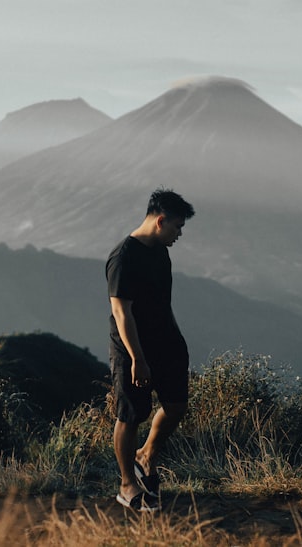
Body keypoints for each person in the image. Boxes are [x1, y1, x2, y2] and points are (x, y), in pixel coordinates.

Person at [106, 188, 195, 512]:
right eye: (177, 227)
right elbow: (122, 313)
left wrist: (176, 339)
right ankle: (127, 484)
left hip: (166, 344)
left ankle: (147, 455)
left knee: (176, 405)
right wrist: (137, 360)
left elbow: (162, 302)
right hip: (133, 350)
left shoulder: (160, 252)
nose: (179, 234)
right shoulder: (123, 257)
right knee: (131, 415)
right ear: (161, 221)